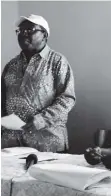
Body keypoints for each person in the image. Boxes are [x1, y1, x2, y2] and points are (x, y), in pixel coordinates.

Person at [1, 14, 76, 152]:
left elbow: (67, 99)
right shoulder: (10, 66)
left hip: (47, 143)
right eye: (20, 31)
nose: (23, 34)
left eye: (30, 30)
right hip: (11, 145)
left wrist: (41, 119)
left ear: (45, 35)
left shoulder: (58, 62)